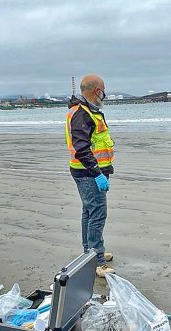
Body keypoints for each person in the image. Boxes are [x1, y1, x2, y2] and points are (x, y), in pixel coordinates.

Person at [65, 74, 115, 278]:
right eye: (103, 90)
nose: (104, 94)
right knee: (97, 214)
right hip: (89, 173)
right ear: (97, 91)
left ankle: (90, 253)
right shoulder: (82, 113)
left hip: (90, 171)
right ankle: (98, 260)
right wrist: (97, 174)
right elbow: (81, 148)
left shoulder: (88, 111)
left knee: (89, 212)